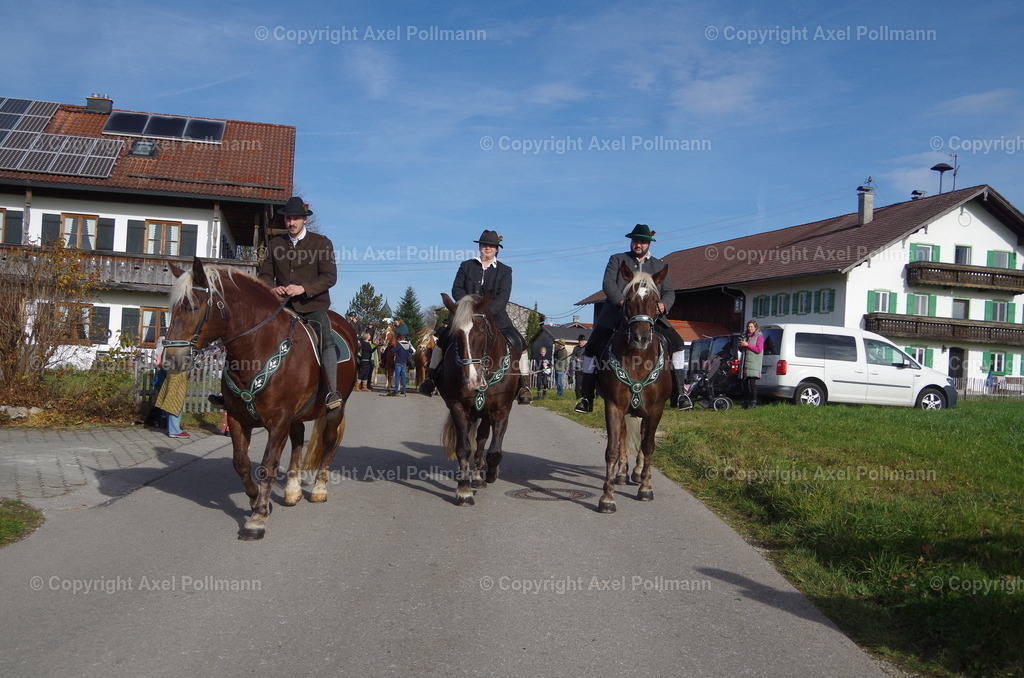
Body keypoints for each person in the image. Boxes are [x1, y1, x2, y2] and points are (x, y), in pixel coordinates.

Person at [574, 224, 688, 413]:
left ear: (648, 244)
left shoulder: (658, 265)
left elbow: (668, 291)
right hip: (615, 316)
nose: (638, 244)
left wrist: (663, 305)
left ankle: (680, 393)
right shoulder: (618, 260)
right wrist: (621, 301)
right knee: (591, 347)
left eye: (642, 241)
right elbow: (608, 283)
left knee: (677, 343)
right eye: (635, 240)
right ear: (631, 241)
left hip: (649, 318)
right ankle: (586, 397)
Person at [418, 230, 532, 404]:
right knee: (442, 339)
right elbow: (456, 289)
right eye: (484, 244)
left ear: (497, 249)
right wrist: (467, 307)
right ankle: (431, 379)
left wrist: (486, 313)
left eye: (491, 246)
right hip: (465, 315)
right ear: (480, 246)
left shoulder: (505, 270)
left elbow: (503, 296)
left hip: (496, 316)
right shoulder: (466, 266)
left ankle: (524, 385)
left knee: (519, 342)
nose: (487, 248)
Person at [257, 196, 343, 409]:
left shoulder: (321, 243)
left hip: (312, 307)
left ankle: (332, 392)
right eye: (288, 219)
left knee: (325, 339)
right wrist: (271, 287)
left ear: (304, 219)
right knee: (255, 335)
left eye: (296, 218)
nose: (291, 223)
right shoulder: (276, 243)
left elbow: (329, 277)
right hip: (282, 307)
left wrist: (303, 289)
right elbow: (264, 273)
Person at [154, 367, 189, 439]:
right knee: (174, 401)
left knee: (172, 401)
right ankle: (174, 431)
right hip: (177, 374)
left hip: (174, 373)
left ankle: (172, 429)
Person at [738, 320, 764, 408]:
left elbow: (758, 350)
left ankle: (753, 403)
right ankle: (745, 402)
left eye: (751, 327)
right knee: (744, 384)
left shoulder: (759, 337)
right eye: (748, 327)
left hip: (753, 364)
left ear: (755, 327)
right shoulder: (745, 336)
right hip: (745, 364)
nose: (749, 328)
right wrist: (741, 345)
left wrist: (747, 345)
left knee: (752, 384)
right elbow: (742, 350)